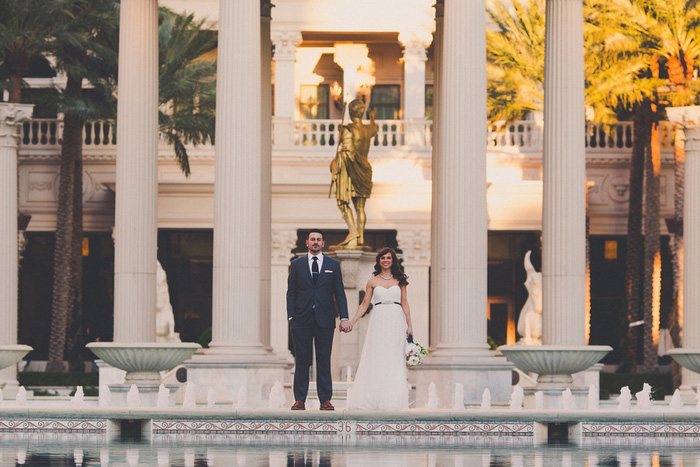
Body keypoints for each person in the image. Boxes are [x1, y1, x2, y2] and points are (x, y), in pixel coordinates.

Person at [286, 229, 351, 410]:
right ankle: (299, 400)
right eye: (312, 239)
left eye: (319, 240)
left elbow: (340, 293)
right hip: (301, 320)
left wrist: (344, 317)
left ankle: (325, 400)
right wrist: (291, 316)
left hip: (325, 320)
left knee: (324, 360)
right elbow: (291, 292)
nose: (315, 242)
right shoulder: (297, 264)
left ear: (323, 243)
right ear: (307, 242)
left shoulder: (333, 264)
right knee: (302, 360)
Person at [345, 247, 413, 410]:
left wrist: (410, 325)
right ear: (379, 261)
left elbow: (405, 303)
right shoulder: (372, 281)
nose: (386, 260)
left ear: (393, 260)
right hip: (379, 319)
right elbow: (364, 304)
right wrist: (352, 322)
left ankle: (393, 399)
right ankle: (374, 397)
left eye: (388, 258)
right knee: (377, 355)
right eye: (383, 258)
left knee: (394, 357)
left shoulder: (400, 280)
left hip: (396, 319)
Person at [329, 99, 378, 248]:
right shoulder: (368, 129)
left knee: (342, 202)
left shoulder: (348, 129)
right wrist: (372, 117)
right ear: (361, 113)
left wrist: (335, 163)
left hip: (350, 170)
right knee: (360, 207)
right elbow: (375, 128)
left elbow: (347, 151)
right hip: (364, 169)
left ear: (350, 113)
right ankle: (360, 236)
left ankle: (353, 231)